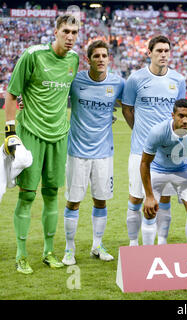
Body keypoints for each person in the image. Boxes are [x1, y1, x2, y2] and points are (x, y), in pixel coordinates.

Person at [4, 14, 80, 274]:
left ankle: (49, 252)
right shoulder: (32, 55)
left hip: (59, 135)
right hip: (31, 134)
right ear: (56, 31)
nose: (70, 37)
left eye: (75, 33)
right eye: (66, 31)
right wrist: (9, 133)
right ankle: (21, 255)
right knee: (27, 196)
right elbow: (12, 94)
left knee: (51, 194)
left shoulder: (74, 59)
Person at [62, 40, 125, 266]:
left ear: (109, 58)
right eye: (96, 56)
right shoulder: (76, 80)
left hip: (103, 153)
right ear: (87, 59)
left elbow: (129, 104)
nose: (100, 59)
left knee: (101, 201)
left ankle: (97, 245)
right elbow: (55, 95)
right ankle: (69, 249)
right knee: (73, 202)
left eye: (104, 56)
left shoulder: (118, 83)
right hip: (77, 151)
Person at [121, 35, 186, 246]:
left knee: (164, 199)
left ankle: (162, 242)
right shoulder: (135, 79)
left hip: (168, 152)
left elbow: (181, 113)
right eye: (159, 51)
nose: (163, 55)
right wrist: (141, 132)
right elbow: (128, 109)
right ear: (149, 53)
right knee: (136, 197)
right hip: (140, 150)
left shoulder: (178, 80)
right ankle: (133, 243)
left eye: (166, 51)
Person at [140, 99, 187, 244]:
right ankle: (147, 255)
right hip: (157, 170)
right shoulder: (158, 131)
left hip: (182, 170)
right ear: (173, 115)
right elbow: (145, 163)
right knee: (149, 210)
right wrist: (149, 196)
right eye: (181, 115)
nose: (185, 120)